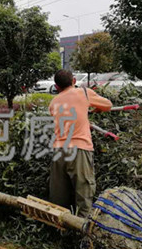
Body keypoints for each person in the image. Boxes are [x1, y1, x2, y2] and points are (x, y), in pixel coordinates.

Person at [48, 69, 112, 217]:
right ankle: (82, 232)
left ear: (56, 87)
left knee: (59, 195)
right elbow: (108, 105)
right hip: (79, 149)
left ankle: (60, 231)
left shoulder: (53, 102)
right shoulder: (83, 93)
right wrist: (94, 109)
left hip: (58, 151)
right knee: (84, 192)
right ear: (74, 81)